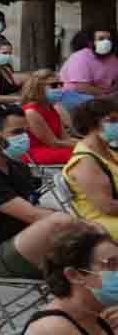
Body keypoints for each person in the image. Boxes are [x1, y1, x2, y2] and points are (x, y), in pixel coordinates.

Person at [0, 102, 77, 280]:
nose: (24, 138)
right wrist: (80, 225)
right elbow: (33, 215)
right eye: (17, 132)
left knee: (87, 245)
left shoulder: (15, 165)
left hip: (22, 239)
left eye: (26, 131)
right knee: (62, 223)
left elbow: (39, 194)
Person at [62, 98, 118, 237]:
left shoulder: (108, 150)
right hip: (105, 224)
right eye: (112, 120)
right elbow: (108, 207)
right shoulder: (85, 162)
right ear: (92, 124)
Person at [20, 70, 74, 167]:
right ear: (38, 88)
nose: (59, 88)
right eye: (54, 85)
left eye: (61, 84)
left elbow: (65, 138)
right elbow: (53, 142)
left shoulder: (50, 108)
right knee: (82, 154)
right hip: (36, 152)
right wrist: (84, 145)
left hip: (52, 148)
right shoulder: (31, 112)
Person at [57, 26, 118, 107]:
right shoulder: (80, 57)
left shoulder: (113, 59)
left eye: (109, 39)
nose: (106, 42)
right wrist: (105, 94)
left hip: (104, 96)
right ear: (90, 42)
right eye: (101, 39)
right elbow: (81, 87)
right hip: (75, 96)